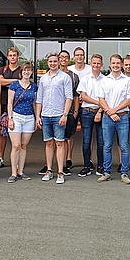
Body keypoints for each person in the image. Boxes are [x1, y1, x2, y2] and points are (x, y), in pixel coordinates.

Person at [96, 54, 130, 185]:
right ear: (110, 64)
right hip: (107, 118)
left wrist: (115, 110)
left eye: (118, 63)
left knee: (124, 146)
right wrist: (110, 111)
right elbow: (101, 99)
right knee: (107, 146)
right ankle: (106, 172)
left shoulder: (127, 81)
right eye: (113, 63)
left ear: (121, 65)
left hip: (123, 117)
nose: (115, 65)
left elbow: (129, 100)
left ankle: (124, 173)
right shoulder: (104, 81)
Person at [35, 52, 73, 185]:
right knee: (49, 143)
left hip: (59, 115)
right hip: (45, 115)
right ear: (48, 62)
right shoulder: (43, 78)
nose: (52, 63)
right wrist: (38, 116)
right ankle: (49, 170)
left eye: (55, 61)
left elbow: (69, 97)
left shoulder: (65, 77)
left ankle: (60, 172)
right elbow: (39, 99)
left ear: (58, 62)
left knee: (60, 143)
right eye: (50, 61)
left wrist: (65, 114)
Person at [6, 62, 38, 182]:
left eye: (29, 70)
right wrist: (10, 118)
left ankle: (21, 171)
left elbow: (34, 103)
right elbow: (9, 102)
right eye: (24, 70)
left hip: (29, 117)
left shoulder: (34, 86)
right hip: (16, 116)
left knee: (24, 146)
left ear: (31, 72)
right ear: (21, 72)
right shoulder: (14, 85)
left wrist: (36, 117)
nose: (26, 72)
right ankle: (13, 173)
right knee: (16, 145)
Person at [76, 54, 104, 176]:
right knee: (86, 141)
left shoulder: (106, 80)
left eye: (98, 63)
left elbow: (107, 99)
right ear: (90, 64)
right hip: (86, 112)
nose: (96, 65)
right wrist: (98, 102)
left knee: (101, 141)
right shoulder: (85, 79)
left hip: (101, 113)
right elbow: (83, 96)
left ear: (101, 64)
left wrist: (99, 110)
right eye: (94, 63)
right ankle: (87, 166)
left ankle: (101, 166)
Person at [0, 47, 22, 170]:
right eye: (10, 55)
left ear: (18, 57)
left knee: (16, 132)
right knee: (2, 132)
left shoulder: (21, 70)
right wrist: (16, 81)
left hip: (18, 105)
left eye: (14, 55)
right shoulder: (2, 69)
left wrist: (7, 82)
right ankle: (0, 158)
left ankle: (16, 158)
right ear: (7, 57)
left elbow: (23, 83)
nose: (12, 57)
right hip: (3, 102)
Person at [59, 50, 80, 174]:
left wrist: (76, 111)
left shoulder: (73, 76)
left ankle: (67, 160)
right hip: (55, 111)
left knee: (68, 137)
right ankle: (51, 163)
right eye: (61, 57)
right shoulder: (51, 74)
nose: (63, 59)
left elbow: (76, 95)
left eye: (66, 57)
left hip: (70, 112)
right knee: (54, 139)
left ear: (69, 60)